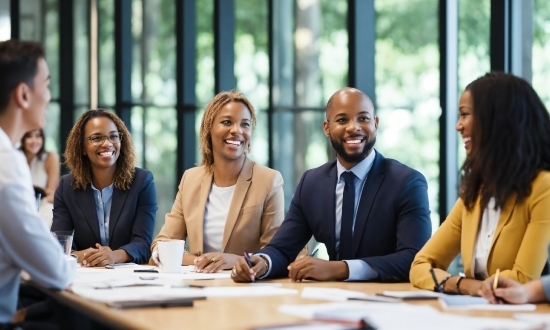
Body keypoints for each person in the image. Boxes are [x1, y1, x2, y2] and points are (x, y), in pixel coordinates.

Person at [231, 87, 431, 283]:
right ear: (326, 128)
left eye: (363, 118)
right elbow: (283, 249)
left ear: (375, 123)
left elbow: (414, 258)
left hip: (391, 303)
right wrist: (261, 262)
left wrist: (340, 268)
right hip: (332, 300)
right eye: (342, 120)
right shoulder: (312, 183)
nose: (354, 127)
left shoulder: (407, 182)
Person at [410, 72, 550, 295]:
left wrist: (457, 284)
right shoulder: (475, 191)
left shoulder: (544, 188)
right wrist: (465, 284)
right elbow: (421, 265)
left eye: (465, 115)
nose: (458, 126)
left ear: (497, 120)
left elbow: (523, 279)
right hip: (479, 311)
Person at [151, 90, 284, 273]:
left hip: (246, 288)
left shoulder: (268, 180)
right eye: (227, 122)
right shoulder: (191, 179)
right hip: (197, 283)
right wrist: (200, 260)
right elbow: (163, 243)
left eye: (245, 124)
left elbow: (276, 252)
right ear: (208, 129)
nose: (237, 130)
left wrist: (235, 260)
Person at [0, 39, 74, 328]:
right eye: (46, 83)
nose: (50, 95)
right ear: (23, 94)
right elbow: (55, 270)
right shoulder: (6, 163)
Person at [51, 109, 157, 266]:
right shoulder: (67, 187)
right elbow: (60, 243)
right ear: (82, 147)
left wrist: (113, 256)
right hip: (84, 274)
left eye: (114, 136)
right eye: (97, 138)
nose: (107, 143)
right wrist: (89, 256)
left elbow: (142, 244)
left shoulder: (142, 181)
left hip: (128, 276)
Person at [20, 128, 60, 227]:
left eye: (38, 136)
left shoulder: (50, 157)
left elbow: (52, 194)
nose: (34, 141)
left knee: (48, 210)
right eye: (29, 136)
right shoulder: (15, 158)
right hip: (19, 205)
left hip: (41, 205)